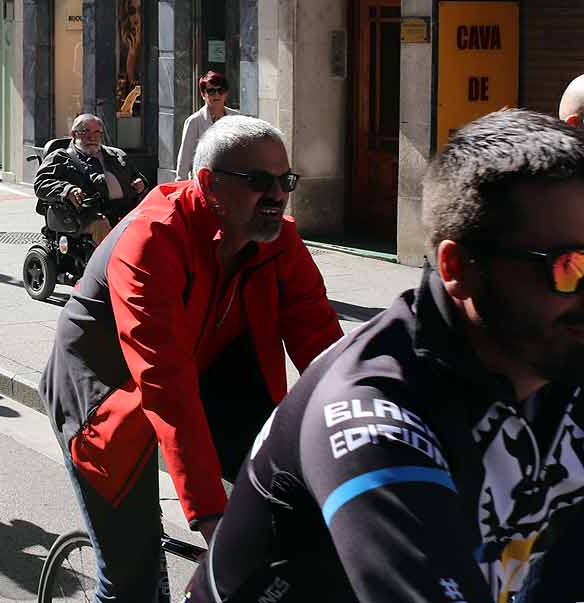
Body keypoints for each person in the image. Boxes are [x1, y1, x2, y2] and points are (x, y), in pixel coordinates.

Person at [189, 108, 584, 603]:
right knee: (126, 557)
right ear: (458, 266)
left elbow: (312, 322)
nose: (275, 195)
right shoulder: (372, 416)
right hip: (130, 399)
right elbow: (161, 372)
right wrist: (203, 505)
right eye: (570, 268)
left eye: (283, 181)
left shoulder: (554, 351)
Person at [40, 114, 342, 603]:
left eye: (284, 181)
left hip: (207, 374)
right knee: (132, 584)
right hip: (106, 392)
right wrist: (211, 519)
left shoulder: (276, 238)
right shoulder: (151, 240)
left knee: (294, 525)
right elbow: (165, 383)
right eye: (258, 182)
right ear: (208, 184)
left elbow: (323, 344)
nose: (277, 195)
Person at [35, 114, 148, 233]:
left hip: (125, 211)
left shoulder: (118, 155)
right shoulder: (61, 157)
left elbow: (137, 176)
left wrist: (141, 183)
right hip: (86, 215)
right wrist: (67, 190)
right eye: (86, 132)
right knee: (102, 226)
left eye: (97, 133)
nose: (92, 137)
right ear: (74, 134)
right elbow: (41, 183)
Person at [175, 70, 239, 178]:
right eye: (211, 91)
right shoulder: (194, 122)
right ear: (203, 94)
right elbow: (184, 161)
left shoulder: (236, 118)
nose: (217, 95)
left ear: (226, 93)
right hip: (203, 184)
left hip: (230, 184)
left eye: (220, 90)